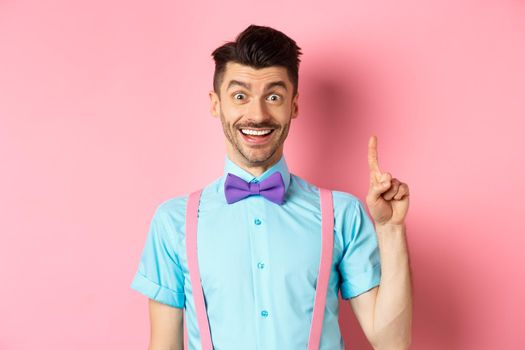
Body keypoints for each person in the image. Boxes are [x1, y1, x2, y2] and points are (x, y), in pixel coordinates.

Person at [130, 24, 412, 350]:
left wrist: (390, 229)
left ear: (293, 105)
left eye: (274, 96)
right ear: (215, 103)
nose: (258, 114)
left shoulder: (342, 214)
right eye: (240, 96)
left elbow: (392, 342)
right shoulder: (173, 221)